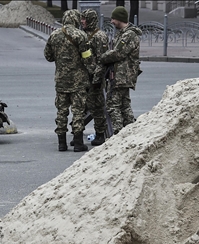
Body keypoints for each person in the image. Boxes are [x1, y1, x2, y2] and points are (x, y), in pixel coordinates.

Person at [44, 9, 93, 152]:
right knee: (78, 111)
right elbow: (87, 58)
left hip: (61, 80)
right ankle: (78, 142)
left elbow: (48, 56)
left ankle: (61, 143)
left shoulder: (54, 35)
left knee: (61, 111)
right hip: (78, 81)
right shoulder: (81, 36)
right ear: (76, 20)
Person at [100, 6, 141, 135]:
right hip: (122, 76)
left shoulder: (129, 35)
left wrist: (102, 57)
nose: (111, 21)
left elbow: (118, 53)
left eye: (113, 19)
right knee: (124, 106)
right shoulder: (123, 33)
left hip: (121, 76)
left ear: (119, 19)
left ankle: (118, 134)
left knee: (113, 105)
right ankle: (131, 133)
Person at [82, 9, 110, 146]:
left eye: (84, 19)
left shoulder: (100, 36)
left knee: (97, 107)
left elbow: (102, 60)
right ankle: (77, 134)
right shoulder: (84, 35)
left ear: (91, 20)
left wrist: (97, 79)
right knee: (82, 106)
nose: (82, 21)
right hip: (84, 78)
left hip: (95, 78)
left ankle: (100, 134)